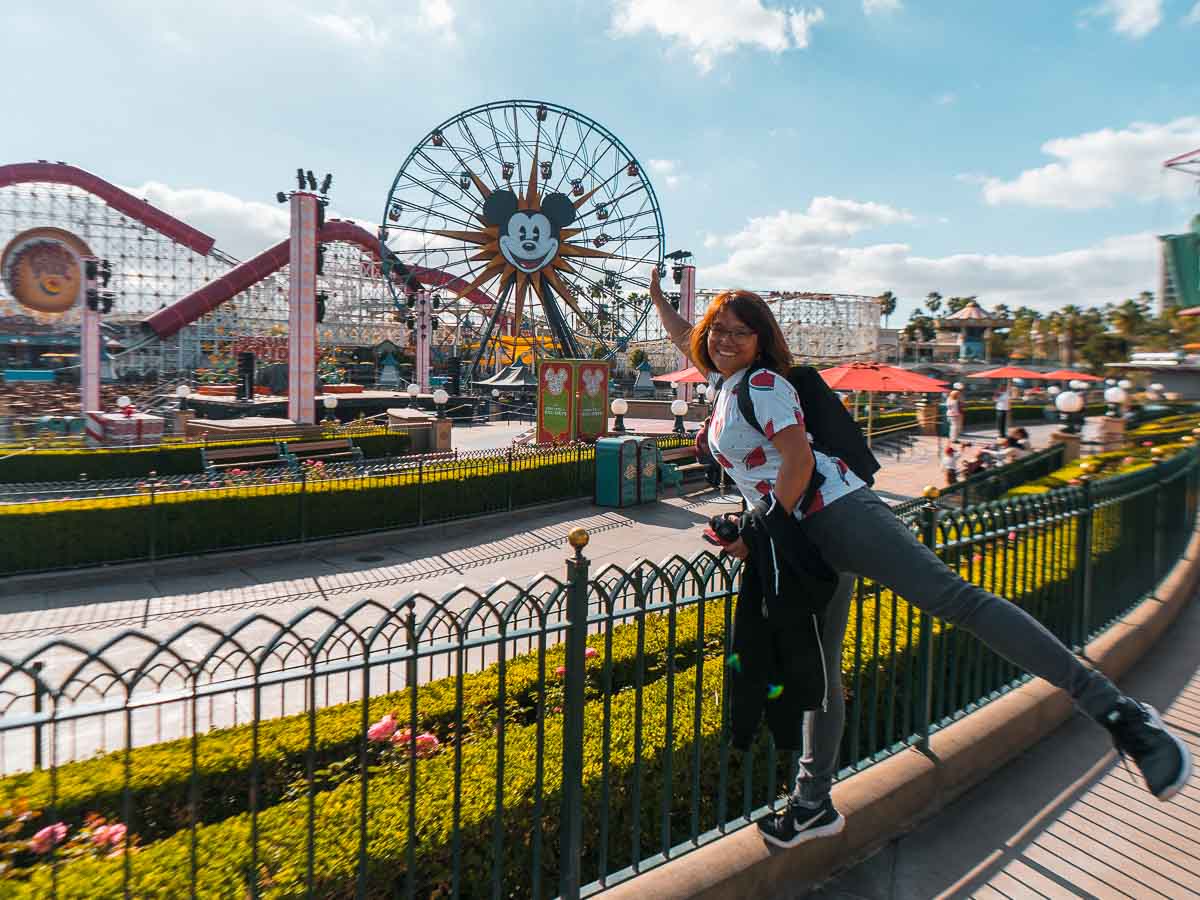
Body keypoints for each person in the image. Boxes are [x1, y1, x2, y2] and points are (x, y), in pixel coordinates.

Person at [647, 268, 1192, 848]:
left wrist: (762, 531)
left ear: (762, 341)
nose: (723, 340)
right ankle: (812, 804)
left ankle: (1122, 716)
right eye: (718, 331)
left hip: (837, 515)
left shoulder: (762, 386)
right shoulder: (722, 380)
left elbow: (799, 463)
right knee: (820, 672)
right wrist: (660, 298)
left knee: (960, 602)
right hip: (798, 537)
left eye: (740, 333)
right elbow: (690, 338)